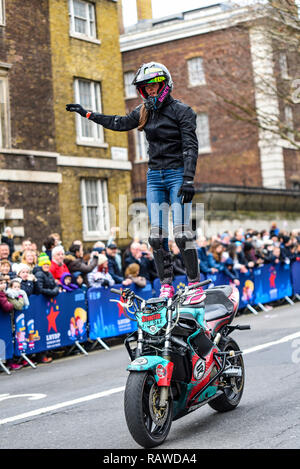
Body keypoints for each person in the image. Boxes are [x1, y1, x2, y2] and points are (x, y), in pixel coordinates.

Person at [66, 61, 204, 305]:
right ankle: (166, 286)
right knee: (155, 238)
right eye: (146, 88)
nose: (150, 91)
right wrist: (87, 114)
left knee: (182, 234)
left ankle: (194, 283)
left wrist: (189, 179)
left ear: (164, 85)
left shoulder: (183, 111)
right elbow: (118, 123)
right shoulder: (143, 112)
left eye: (154, 87)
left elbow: (191, 147)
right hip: (154, 177)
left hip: (176, 175)